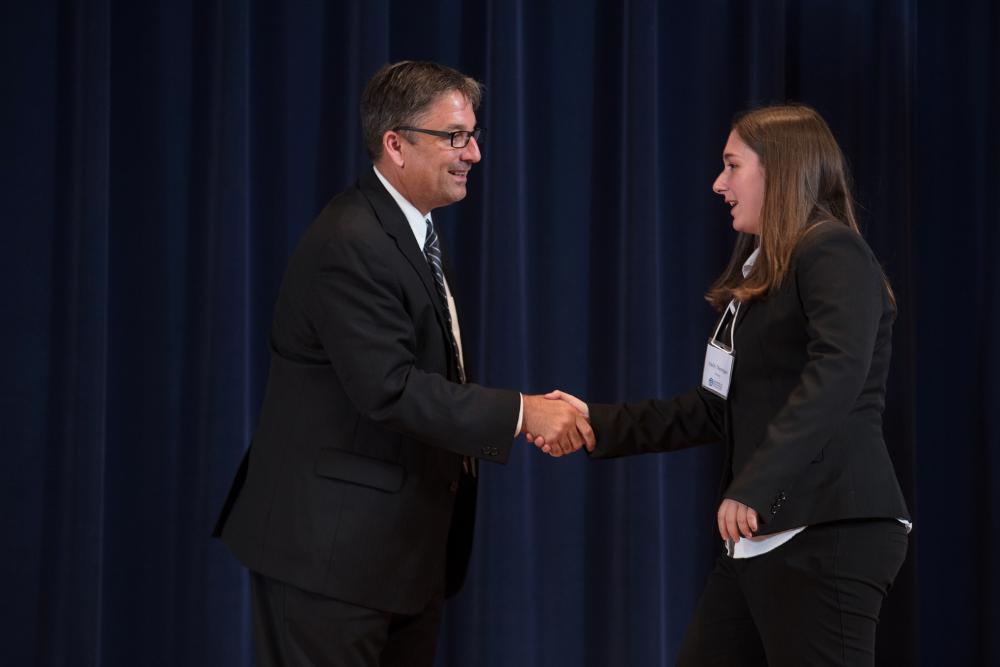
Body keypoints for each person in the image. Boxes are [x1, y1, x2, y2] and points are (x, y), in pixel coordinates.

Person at [213, 60, 593, 667]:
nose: (473, 153)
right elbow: (389, 389)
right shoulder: (351, 241)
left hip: (396, 560)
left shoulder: (408, 233)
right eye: (455, 137)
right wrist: (523, 414)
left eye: (473, 135)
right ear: (395, 144)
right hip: (330, 561)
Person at [540, 105, 911, 665]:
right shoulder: (763, 270)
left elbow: (836, 374)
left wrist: (755, 485)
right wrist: (597, 422)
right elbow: (714, 407)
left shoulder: (831, 250)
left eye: (732, 166)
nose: (719, 184)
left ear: (780, 171)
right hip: (761, 535)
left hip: (827, 525)